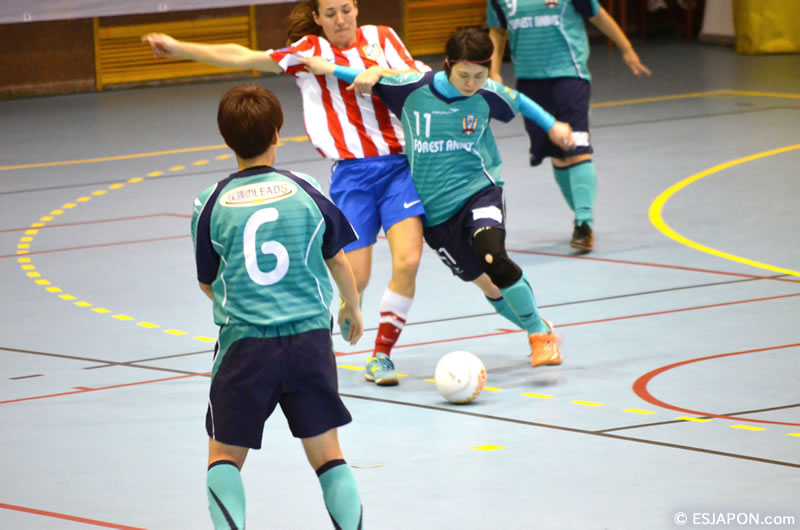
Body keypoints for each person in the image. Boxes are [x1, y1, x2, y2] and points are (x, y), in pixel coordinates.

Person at [144, 0, 431, 386]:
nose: (340, 19)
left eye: (345, 9)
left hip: (400, 167)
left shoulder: (383, 38)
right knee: (356, 278)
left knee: (408, 261)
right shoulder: (309, 53)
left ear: (356, 7)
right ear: (317, 18)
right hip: (353, 175)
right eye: (330, 13)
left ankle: (381, 356)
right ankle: (334, 323)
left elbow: (421, 79)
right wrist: (179, 48)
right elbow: (243, 56)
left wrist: (380, 71)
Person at [301, 27, 571, 366]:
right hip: (438, 216)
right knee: (490, 286)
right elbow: (367, 75)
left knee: (493, 256)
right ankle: (540, 327)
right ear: (447, 65)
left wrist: (553, 126)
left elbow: (520, 102)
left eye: (479, 76)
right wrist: (329, 68)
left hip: (479, 191)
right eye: (463, 75)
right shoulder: (413, 88)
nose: (471, 83)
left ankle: (538, 335)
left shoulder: (488, 93)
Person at [192, 84, 364, 529]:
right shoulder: (304, 188)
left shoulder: (210, 203)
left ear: (226, 139)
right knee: (328, 456)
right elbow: (337, 259)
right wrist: (352, 306)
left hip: (246, 348)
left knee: (224, 456)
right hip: (309, 342)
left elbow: (208, 282)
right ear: (276, 133)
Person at [487, 0, 652, 251]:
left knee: (575, 147)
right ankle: (580, 215)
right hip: (529, 81)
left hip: (569, 75)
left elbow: (598, 15)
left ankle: (584, 223)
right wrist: (494, 71)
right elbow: (497, 31)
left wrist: (626, 48)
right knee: (558, 155)